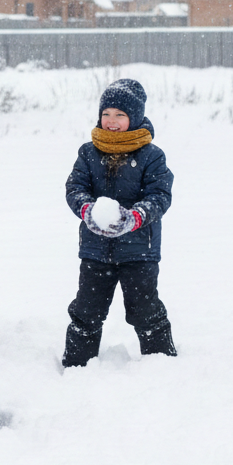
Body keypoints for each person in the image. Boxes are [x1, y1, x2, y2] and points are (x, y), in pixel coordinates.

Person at [62, 79, 176, 367]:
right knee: (87, 309)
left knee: (144, 309)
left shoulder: (151, 155)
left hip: (139, 251)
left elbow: (159, 195)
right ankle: (76, 365)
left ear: (134, 118)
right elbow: (75, 188)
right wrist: (86, 210)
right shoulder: (88, 152)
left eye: (120, 116)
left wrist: (133, 217)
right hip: (95, 250)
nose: (111, 122)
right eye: (107, 114)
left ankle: (162, 363)